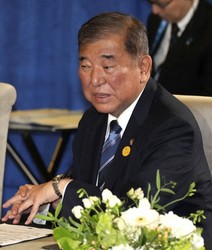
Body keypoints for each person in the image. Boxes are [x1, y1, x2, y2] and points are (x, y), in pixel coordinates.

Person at [1, 12, 212, 248]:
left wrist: (61, 188)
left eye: (108, 66)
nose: (95, 79)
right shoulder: (94, 120)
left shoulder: (172, 127)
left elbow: (134, 216)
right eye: (85, 66)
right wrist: (43, 201)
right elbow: (85, 190)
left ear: (143, 68)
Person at [147, 0, 212, 95]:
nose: (154, 10)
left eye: (161, 5)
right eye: (151, 3)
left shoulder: (208, 26)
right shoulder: (156, 19)